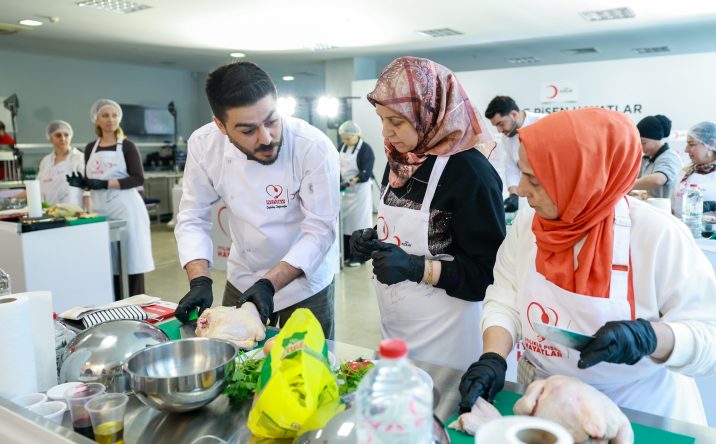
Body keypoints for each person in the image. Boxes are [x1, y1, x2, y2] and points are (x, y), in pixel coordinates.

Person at [458, 108, 716, 425]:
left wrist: (650, 338)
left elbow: (714, 342)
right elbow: (505, 295)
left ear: (581, 178)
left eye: (534, 179)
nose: (520, 189)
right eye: (522, 174)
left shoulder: (657, 235)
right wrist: (493, 357)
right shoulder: (527, 225)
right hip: (549, 405)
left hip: (638, 411)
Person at [350, 57, 506, 370]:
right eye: (381, 119)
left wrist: (414, 267)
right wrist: (372, 240)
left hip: (449, 341)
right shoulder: (400, 160)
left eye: (396, 121)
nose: (386, 132)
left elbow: (487, 275)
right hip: (397, 328)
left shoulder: (471, 173)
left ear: (429, 114)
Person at [173, 62, 340, 339]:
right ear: (220, 126)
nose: (266, 138)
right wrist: (199, 278)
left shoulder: (313, 147)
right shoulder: (204, 145)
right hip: (243, 276)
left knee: (306, 370)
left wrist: (269, 284)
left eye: (272, 121)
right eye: (248, 130)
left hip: (305, 283)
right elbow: (193, 216)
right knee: (235, 362)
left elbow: (320, 231)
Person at [66, 99, 155, 296]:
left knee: (130, 262)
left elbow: (138, 178)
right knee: (108, 263)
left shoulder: (127, 146)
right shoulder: (91, 147)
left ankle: (134, 306)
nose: (110, 120)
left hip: (126, 209)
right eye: (105, 115)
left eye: (114, 115)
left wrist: (106, 184)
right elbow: (93, 178)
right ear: (96, 120)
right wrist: (83, 183)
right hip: (101, 210)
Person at [484, 96, 545, 212]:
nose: (499, 130)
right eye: (496, 126)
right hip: (527, 197)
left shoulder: (543, 123)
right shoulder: (507, 136)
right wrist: (513, 195)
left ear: (514, 114)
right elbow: (511, 166)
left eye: (501, 124)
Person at [337, 120, 375, 267]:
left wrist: (350, 182)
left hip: (360, 191)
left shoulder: (365, 149)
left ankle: (359, 257)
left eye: (348, 138)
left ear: (356, 135)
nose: (345, 141)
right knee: (345, 224)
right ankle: (346, 254)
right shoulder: (342, 147)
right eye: (344, 138)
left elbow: (366, 171)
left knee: (358, 224)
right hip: (345, 191)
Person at [36, 121, 86, 207]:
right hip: (49, 211)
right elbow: (37, 186)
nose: (63, 138)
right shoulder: (45, 161)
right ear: (50, 138)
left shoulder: (79, 158)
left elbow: (88, 188)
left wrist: (87, 209)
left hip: (73, 211)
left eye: (66, 135)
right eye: (58, 135)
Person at [633, 115, 682, 199]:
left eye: (643, 143)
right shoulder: (646, 159)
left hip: (668, 210)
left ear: (657, 139)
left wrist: (627, 186)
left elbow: (658, 180)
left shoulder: (670, 157)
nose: (640, 147)